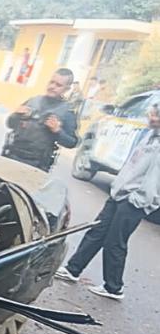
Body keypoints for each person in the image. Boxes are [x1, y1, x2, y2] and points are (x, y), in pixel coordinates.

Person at [55, 103, 160, 300]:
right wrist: (118, 189)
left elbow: (155, 181)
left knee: (115, 242)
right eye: (153, 113)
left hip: (134, 201)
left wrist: (137, 200)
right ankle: (73, 269)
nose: (152, 118)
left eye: (156, 116)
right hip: (120, 194)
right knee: (97, 231)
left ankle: (114, 287)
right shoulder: (151, 135)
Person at [2, 68, 79, 172]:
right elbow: (9, 124)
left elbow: (72, 142)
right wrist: (16, 115)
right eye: (51, 82)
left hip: (36, 165)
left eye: (58, 85)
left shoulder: (67, 112)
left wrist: (58, 131)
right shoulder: (33, 101)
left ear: (67, 89)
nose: (52, 87)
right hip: (12, 156)